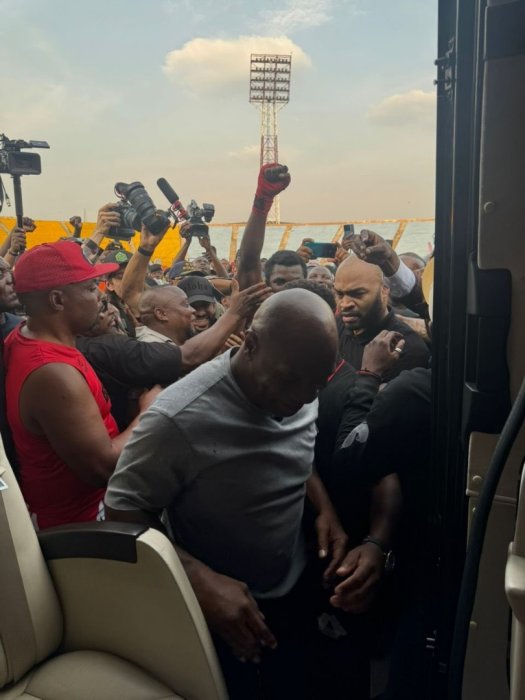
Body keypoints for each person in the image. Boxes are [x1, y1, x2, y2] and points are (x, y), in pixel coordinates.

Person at [105, 289, 348, 700]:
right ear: (250, 344)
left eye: (318, 384)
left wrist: (324, 508)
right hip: (225, 614)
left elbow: (297, 443)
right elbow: (122, 510)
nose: (306, 398)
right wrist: (199, 580)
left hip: (293, 587)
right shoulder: (177, 418)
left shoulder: (298, 376)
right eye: (291, 381)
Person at [4, 241, 159, 530]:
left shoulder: (27, 336)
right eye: (89, 288)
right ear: (57, 300)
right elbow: (103, 469)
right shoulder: (52, 373)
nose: (99, 295)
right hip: (82, 526)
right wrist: (151, 411)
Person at [334, 255, 430, 380]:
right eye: (340, 294)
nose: (345, 304)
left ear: (384, 290)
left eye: (357, 294)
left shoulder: (409, 349)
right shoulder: (334, 327)